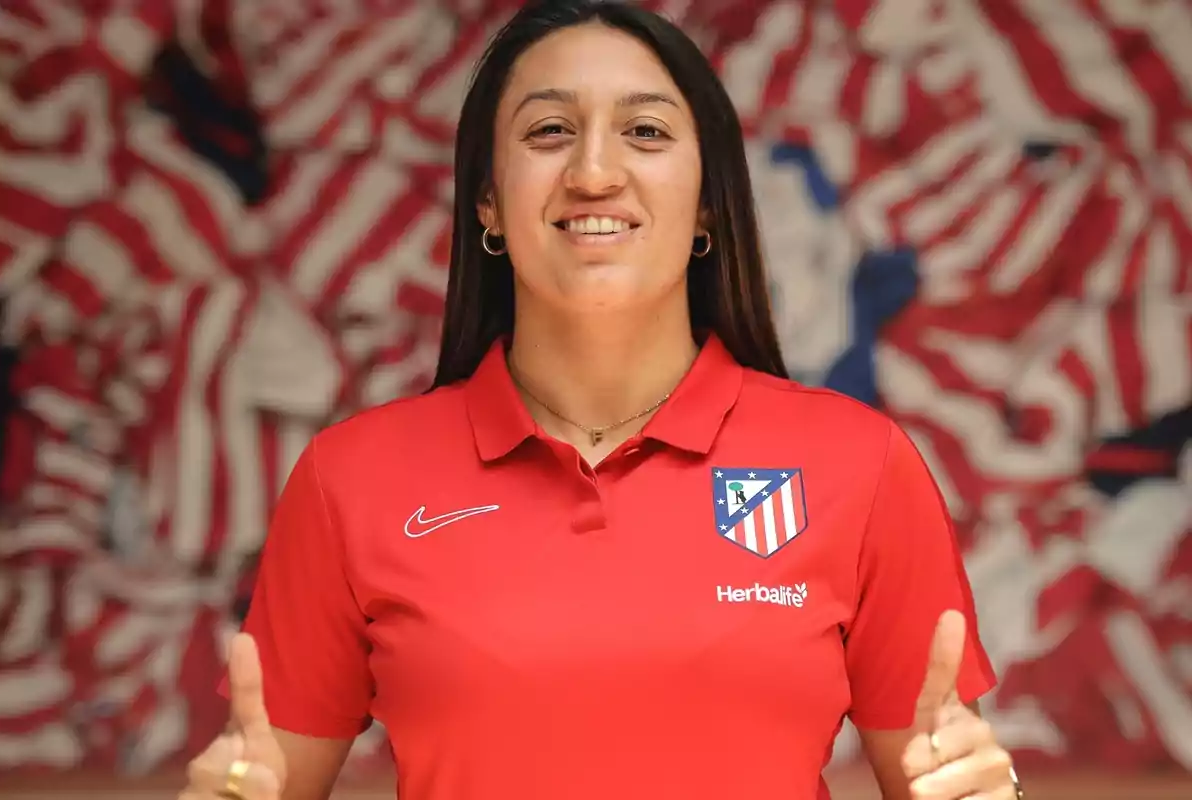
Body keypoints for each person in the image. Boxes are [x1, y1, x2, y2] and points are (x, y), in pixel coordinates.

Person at [183, 1, 1023, 799]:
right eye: (549, 132)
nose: (593, 172)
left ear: (706, 205)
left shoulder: (859, 466)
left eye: (646, 132)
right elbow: (258, 781)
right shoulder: (350, 480)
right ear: (488, 202)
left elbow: (945, 778)